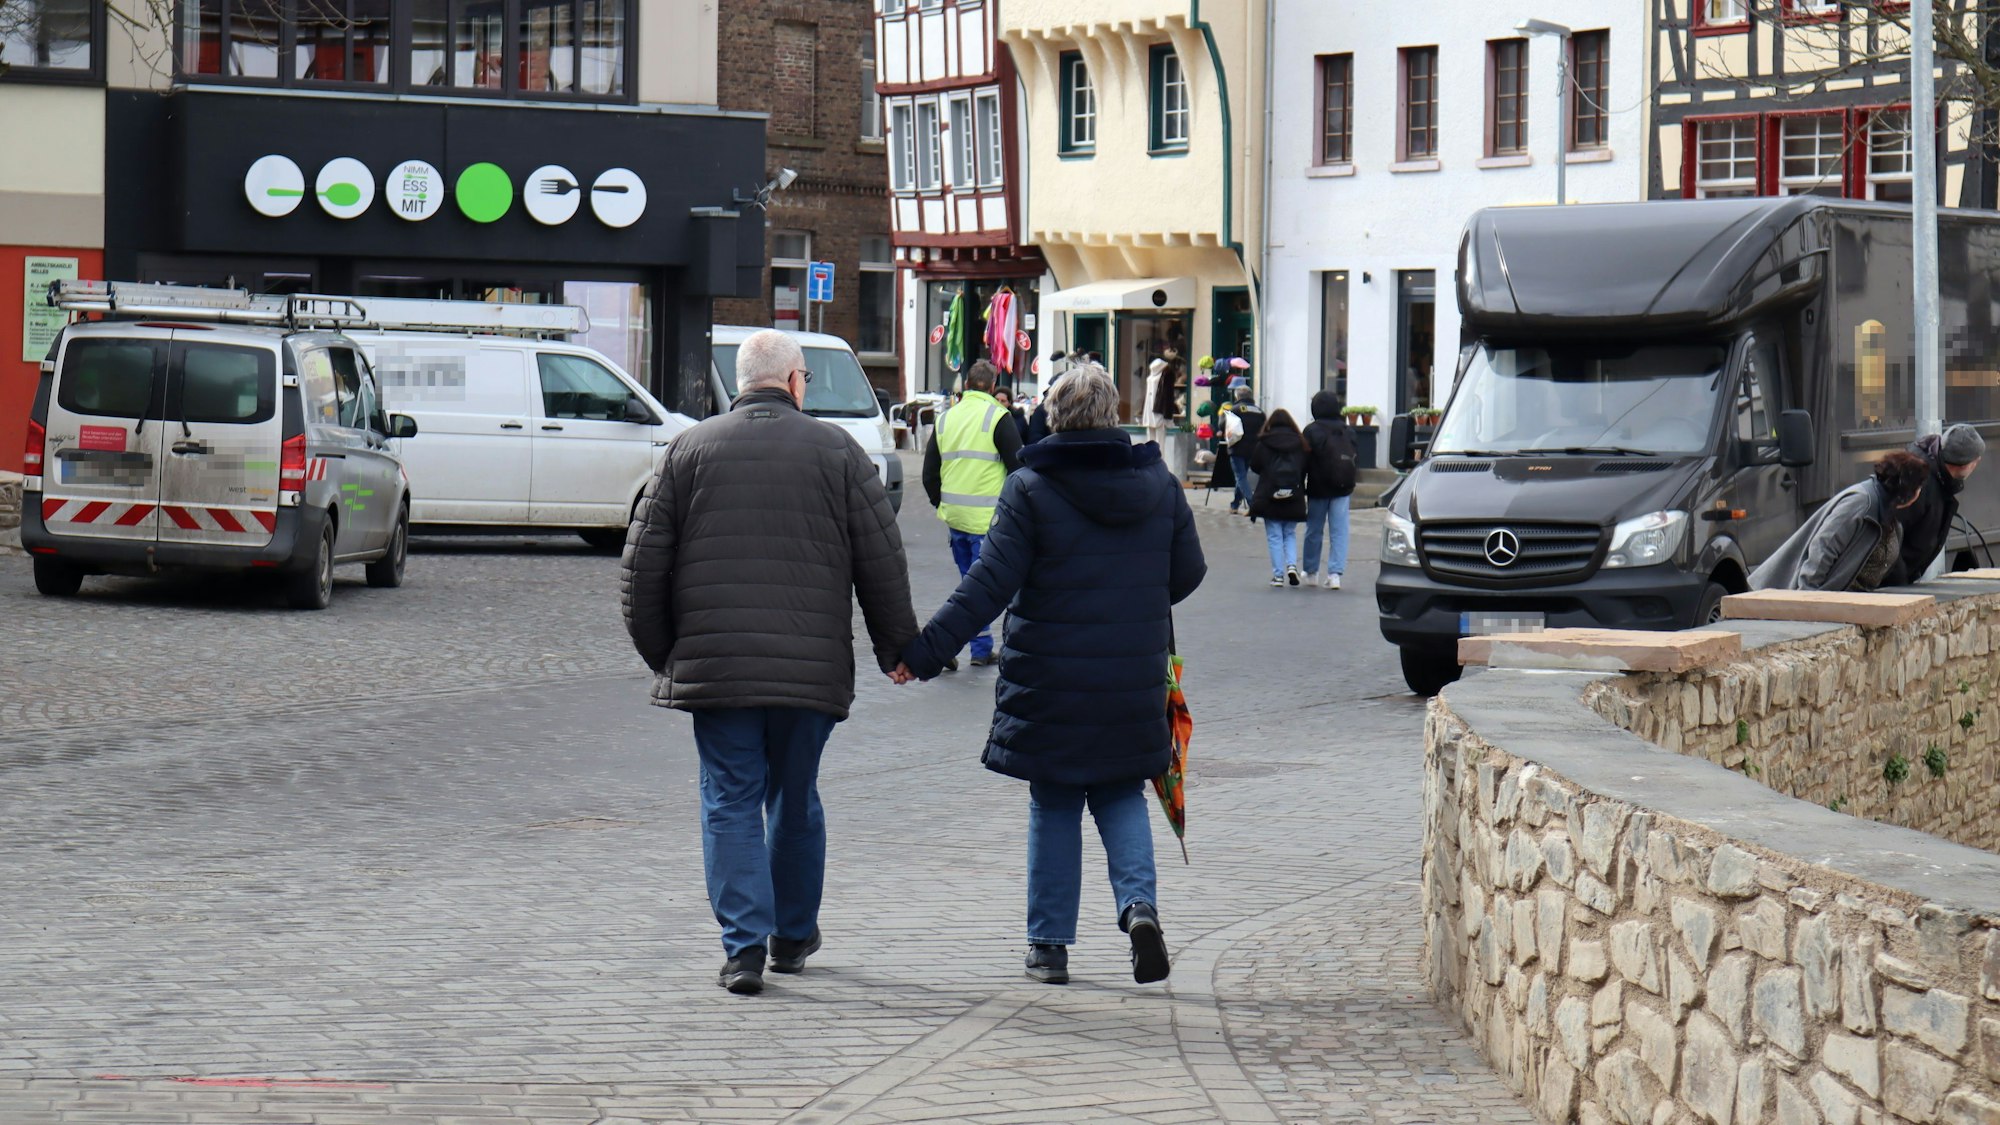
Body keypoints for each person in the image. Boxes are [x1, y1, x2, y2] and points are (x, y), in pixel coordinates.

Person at [621, 329, 918, 996]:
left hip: (717, 668)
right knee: (795, 795)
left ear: (740, 382)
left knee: (729, 797)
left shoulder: (688, 450)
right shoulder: (839, 452)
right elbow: (882, 561)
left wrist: (665, 653)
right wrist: (896, 647)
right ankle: (792, 934)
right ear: (793, 382)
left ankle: (743, 948)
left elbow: (641, 569)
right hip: (810, 673)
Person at [895, 364, 1207, 986]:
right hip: (1131, 674)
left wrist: (925, 652)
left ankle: (1049, 947)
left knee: (1056, 799)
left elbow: (987, 587)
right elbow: (1189, 572)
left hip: (1050, 680)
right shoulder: (1160, 484)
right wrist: (1137, 594)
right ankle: (1139, 909)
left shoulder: (1031, 487)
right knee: (1122, 791)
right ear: (1112, 413)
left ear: (1052, 418)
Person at [921, 360, 1023, 667]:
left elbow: (929, 474)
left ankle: (978, 649)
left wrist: (943, 504)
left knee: (970, 584)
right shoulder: (998, 417)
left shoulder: (946, 418)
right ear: (993, 387)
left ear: (965, 385)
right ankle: (944, 646)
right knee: (982, 591)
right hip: (988, 521)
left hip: (956, 519)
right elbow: (1019, 470)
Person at [1750, 451, 1931, 593]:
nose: (1920, 493)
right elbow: (1824, 546)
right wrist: (1808, 597)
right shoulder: (1861, 502)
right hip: (1805, 599)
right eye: (1919, 487)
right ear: (1907, 491)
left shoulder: (1890, 517)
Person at [1885, 423, 1986, 585]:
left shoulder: (1936, 479)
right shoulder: (1920, 485)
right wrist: (1900, 584)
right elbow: (1888, 536)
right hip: (1888, 585)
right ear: (1969, 463)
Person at [1301, 391, 1359, 590]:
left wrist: (1300, 484)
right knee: (1339, 530)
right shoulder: (1348, 431)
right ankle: (1335, 574)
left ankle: (1311, 571)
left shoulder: (1311, 430)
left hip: (1318, 486)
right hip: (1343, 485)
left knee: (1314, 530)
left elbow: (1303, 460)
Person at [1251, 409, 1309, 587]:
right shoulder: (1300, 443)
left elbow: (1255, 465)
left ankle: (1278, 575)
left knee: (1275, 535)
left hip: (1270, 494)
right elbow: (1305, 466)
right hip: (1294, 493)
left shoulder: (1264, 442)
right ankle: (1292, 566)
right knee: (1289, 533)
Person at [1221, 387, 1266, 516]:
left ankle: (1253, 505)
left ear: (1237, 396)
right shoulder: (1259, 411)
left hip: (1237, 447)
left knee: (1240, 476)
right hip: (1254, 449)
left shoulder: (1235, 410)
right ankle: (1234, 504)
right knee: (1242, 477)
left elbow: (1223, 425)